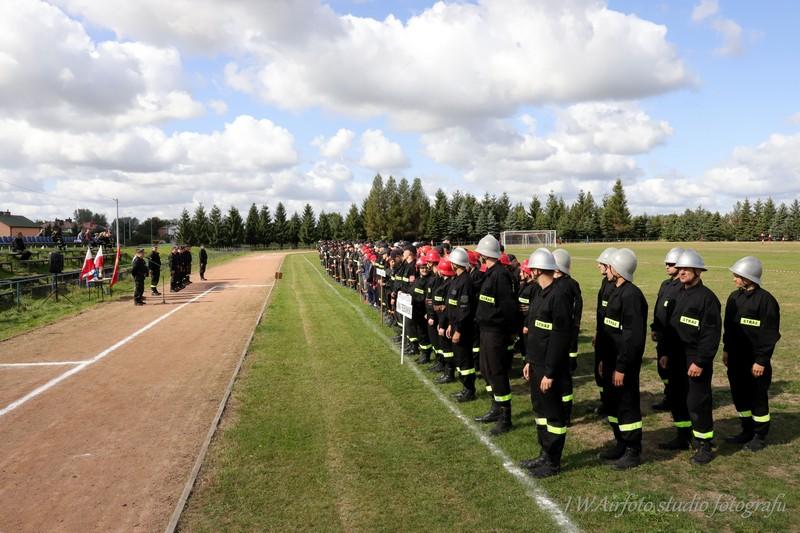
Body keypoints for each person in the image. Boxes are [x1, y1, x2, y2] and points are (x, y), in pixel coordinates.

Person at [664, 249, 721, 464]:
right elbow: (670, 327)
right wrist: (666, 352)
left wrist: (700, 361)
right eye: (679, 269)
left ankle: (704, 444)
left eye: (686, 269)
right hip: (676, 355)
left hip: (695, 358)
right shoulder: (676, 293)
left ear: (698, 271)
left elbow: (710, 334)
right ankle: (683, 436)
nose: (681, 273)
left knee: (698, 402)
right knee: (677, 398)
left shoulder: (707, 299)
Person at [520, 248, 572, 478]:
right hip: (537, 363)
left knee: (553, 415)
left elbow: (559, 338)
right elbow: (535, 333)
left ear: (538, 270)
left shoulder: (558, 296)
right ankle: (544, 453)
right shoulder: (539, 293)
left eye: (532, 268)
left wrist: (550, 373)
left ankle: (553, 462)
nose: (529, 272)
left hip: (551, 367)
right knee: (540, 411)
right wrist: (529, 361)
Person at [722, 256, 781, 452]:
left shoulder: (766, 301)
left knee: (757, 397)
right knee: (739, 395)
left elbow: (770, 334)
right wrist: (727, 349)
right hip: (735, 358)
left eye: (737, 276)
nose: (734, 279)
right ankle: (746, 429)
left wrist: (761, 360)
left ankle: (759, 435)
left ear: (748, 277)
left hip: (755, 361)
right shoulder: (734, 297)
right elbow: (729, 327)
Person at [597, 248, 648, 470]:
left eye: (609, 266)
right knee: (612, 403)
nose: (606, 270)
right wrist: (603, 359)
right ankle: (620, 442)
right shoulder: (615, 291)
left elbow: (632, 338)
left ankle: (632, 450)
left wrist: (621, 367)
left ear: (617, 270)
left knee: (627, 406)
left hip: (623, 364)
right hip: (610, 361)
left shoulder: (631, 295)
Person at [474, 234, 518, 436]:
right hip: (485, 330)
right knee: (486, 369)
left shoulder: (500, 275)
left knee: (497, 372)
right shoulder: (490, 273)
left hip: (496, 332)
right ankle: (495, 407)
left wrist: (510, 332)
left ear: (485, 253)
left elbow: (508, 307)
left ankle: (505, 417)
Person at [650, 247, 685, 412]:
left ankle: (678, 399)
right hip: (662, 335)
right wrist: (655, 327)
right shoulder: (665, 284)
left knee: (674, 369)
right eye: (666, 264)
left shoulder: (683, 286)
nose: (667, 267)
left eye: (671, 264)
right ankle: (669, 396)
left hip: (675, 336)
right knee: (662, 369)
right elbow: (659, 307)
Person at [552, 248, 582, 424]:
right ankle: (564, 410)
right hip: (564, 334)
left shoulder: (562, 286)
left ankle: (565, 412)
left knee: (562, 377)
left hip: (562, 336)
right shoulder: (570, 283)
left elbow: (576, 308)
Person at [446, 247, 478, 402]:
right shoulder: (457, 279)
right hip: (455, 326)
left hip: (463, 329)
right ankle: (465, 388)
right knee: (460, 358)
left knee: (465, 360)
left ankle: (469, 390)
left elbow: (464, 310)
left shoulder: (465, 281)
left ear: (455, 264)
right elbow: (453, 306)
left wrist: (458, 330)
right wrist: (451, 325)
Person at [593, 247, 618, 416]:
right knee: (599, 370)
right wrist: (597, 332)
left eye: (602, 263)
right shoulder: (605, 283)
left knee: (608, 369)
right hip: (602, 333)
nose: (598, 266)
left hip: (610, 336)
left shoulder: (616, 286)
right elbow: (600, 312)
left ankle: (611, 402)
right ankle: (605, 400)